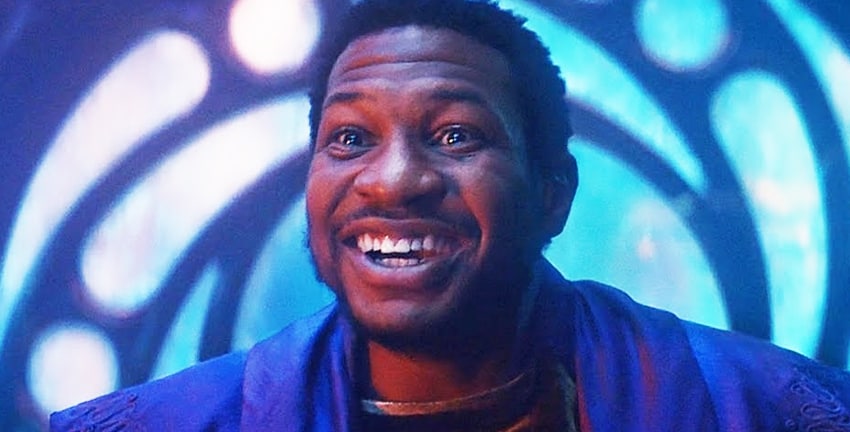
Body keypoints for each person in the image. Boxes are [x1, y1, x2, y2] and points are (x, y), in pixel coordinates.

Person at [51, 0, 850, 430]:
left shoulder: (778, 410)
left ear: (552, 194)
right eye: (351, 138)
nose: (393, 181)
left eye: (455, 134)